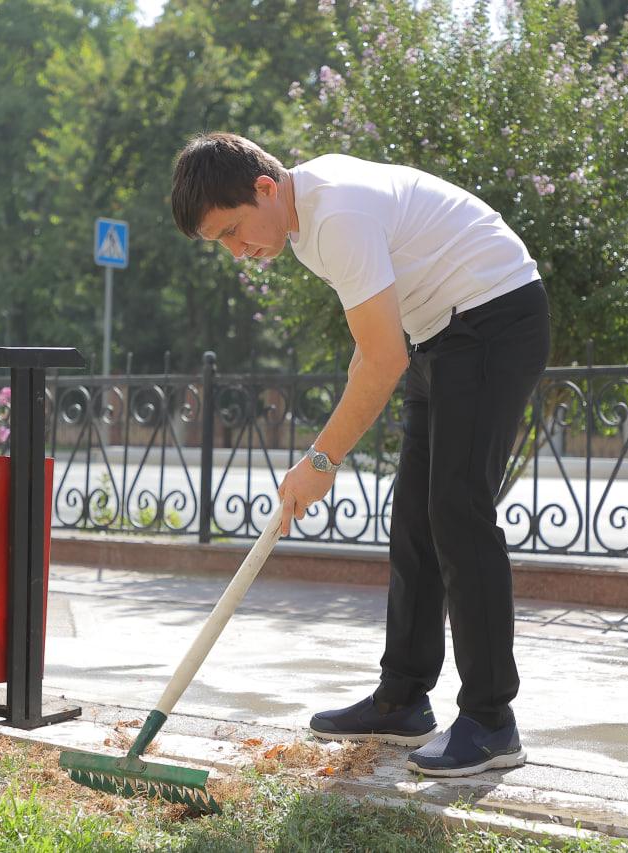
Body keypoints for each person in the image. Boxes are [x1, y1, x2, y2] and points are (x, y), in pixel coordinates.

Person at [170, 132, 550, 777]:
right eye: (223, 245)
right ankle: (402, 699)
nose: (239, 251)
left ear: (265, 187)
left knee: (458, 514)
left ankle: (491, 721)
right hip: (443, 335)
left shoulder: (336, 213)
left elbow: (382, 359)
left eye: (234, 231)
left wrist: (320, 461)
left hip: (493, 322)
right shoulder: (310, 218)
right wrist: (323, 455)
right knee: (416, 523)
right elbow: (373, 340)